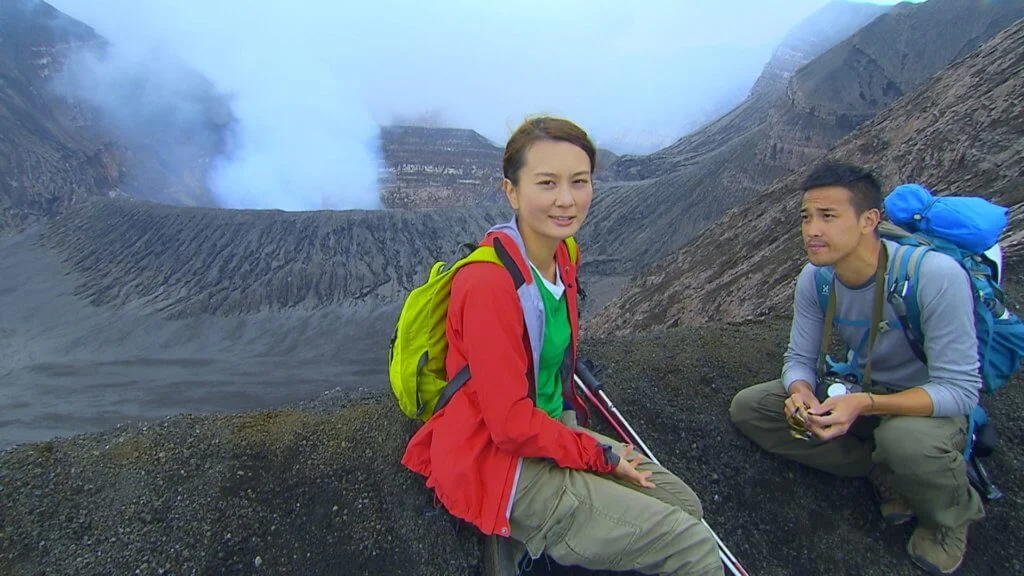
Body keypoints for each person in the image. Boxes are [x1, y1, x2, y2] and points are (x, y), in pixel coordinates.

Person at [401, 116, 723, 576]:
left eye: (580, 182)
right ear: (511, 191)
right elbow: (509, 425)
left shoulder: (563, 256)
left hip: (549, 433)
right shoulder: (489, 284)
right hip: (501, 462)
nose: (567, 200)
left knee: (683, 503)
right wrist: (600, 456)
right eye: (547, 183)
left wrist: (586, 447)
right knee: (689, 544)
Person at [728, 161, 985, 575]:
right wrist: (800, 393)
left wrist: (865, 404)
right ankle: (884, 470)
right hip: (862, 392)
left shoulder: (934, 277)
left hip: (925, 406)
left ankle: (949, 519)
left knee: (907, 443)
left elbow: (960, 391)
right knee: (751, 408)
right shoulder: (816, 279)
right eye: (806, 217)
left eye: (828, 216)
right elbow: (798, 360)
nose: (812, 229)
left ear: (870, 220)